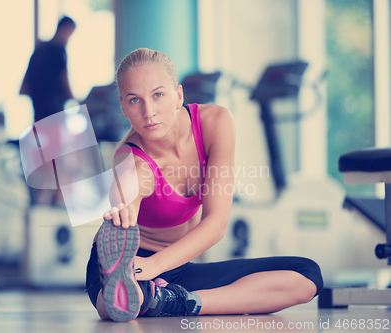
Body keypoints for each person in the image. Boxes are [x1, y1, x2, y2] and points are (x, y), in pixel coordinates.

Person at [86, 48, 323, 322]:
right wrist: (121, 213)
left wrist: (154, 267)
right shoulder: (131, 162)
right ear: (124, 107)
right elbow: (126, 192)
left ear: (179, 95)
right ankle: (123, 294)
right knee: (129, 299)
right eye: (135, 100)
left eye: (158, 95)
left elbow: (216, 224)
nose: (148, 111)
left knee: (307, 274)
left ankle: (175, 301)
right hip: (131, 266)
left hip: (173, 269)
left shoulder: (216, 123)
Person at [20, 16, 75, 122]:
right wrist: (74, 99)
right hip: (54, 109)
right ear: (65, 28)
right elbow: (64, 77)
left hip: (38, 110)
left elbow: (25, 83)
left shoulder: (39, 49)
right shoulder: (59, 49)